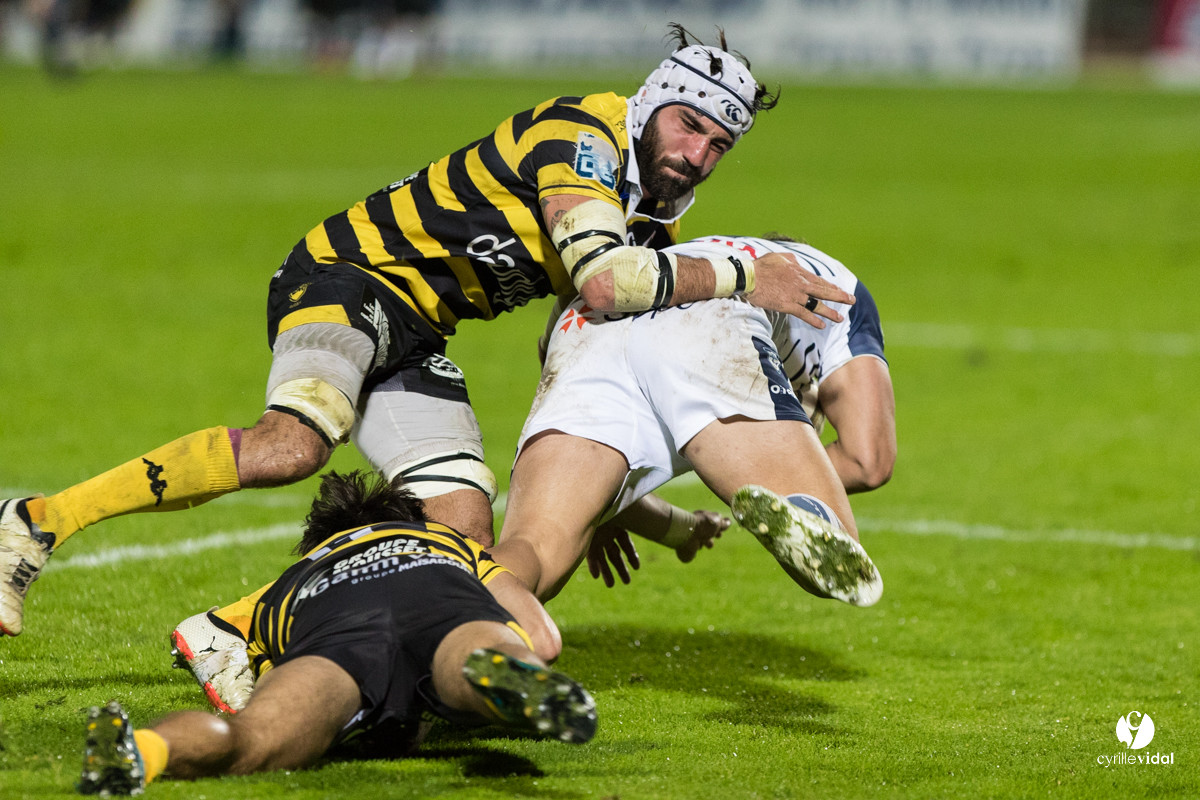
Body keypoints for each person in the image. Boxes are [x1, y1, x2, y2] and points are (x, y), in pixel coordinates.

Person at [1, 23, 857, 649]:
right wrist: (753, 275)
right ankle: (33, 523)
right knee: (292, 446)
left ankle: (239, 634)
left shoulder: (650, 219)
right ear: (653, 104)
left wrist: (639, 507)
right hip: (349, 277)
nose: (698, 154)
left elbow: (584, 357)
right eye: (688, 125)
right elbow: (603, 281)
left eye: (719, 143)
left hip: (414, 334)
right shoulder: (582, 136)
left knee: (464, 542)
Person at [75, 469, 596, 796]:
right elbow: (542, 635)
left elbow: (227, 652)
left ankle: (138, 749)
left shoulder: (285, 584)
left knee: (249, 740)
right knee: (475, 652)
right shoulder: (438, 538)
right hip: (432, 589)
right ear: (405, 519)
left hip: (331, 625)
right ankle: (497, 676)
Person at [489, 234, 895, 629]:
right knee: (840, 557)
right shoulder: (839, 287)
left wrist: (657, 522)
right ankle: (806, 509)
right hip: (706, 324)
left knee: (533, 555)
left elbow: (554, 348)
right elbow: (868, 461)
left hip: (586, 326)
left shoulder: (696, 253)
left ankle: (451, 619)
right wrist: (755, 476)